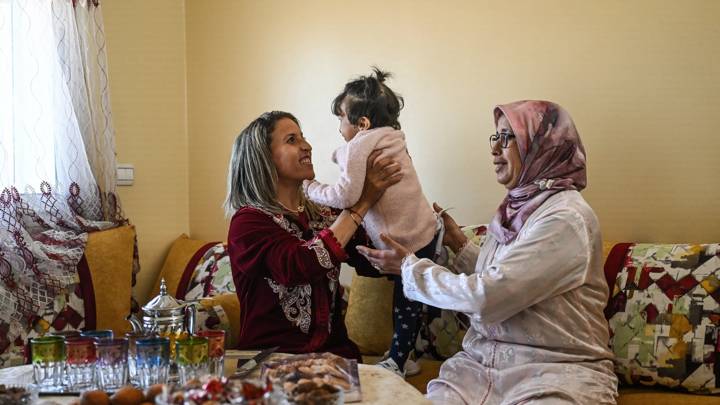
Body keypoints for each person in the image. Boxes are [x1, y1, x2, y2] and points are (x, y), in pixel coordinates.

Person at [357, 100, 618, 404]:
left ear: (542, 146)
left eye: (508, 138)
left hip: (553, 371)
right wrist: (460, 246)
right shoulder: (516, 208)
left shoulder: (565, 219)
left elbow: (488, 297)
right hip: (480, 368)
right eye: (496, 137)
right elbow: (509, 277)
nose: (495, 149)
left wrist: (409, 268)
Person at [225, 110, 401, 361]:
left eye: (303, 137)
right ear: (263, 157)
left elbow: (371, 258)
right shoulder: (248, 222)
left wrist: (427, 234)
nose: (306, 146)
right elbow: (299, 265)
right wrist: (361, 204)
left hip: (335, 356)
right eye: (292, 140)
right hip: (272, 359)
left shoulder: (324, 213)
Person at [303, 68, 440, 376]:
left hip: (405, 245)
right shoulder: (394, 137)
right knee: (412, 300)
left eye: (341, 118)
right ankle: (408, 353)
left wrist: (310, 187)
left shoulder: (359, 146)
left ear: (362, 124)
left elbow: (344, 196)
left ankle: (397, 362)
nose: (339, 125)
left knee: (405, 306)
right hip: (426, 230)